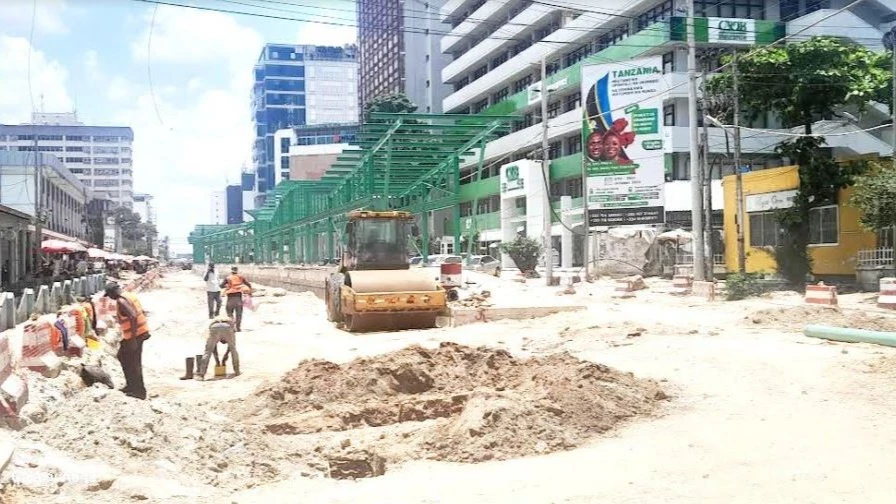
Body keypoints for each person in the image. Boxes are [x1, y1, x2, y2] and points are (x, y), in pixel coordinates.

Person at [104, 282, 150, 400]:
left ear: (113, 293)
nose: (110, 298)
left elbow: (133, 316)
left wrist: (133, 339)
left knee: (133, 362)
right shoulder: (129, 295)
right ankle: (131, 386)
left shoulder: (121, 300)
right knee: (123, 356)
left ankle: (138, 391)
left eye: (109, 295)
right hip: (139, 332)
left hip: (135, 335)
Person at [196, 315, 240, 381]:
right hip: (227, 326)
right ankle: (237, 371)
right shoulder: (231, 323)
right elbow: (230, 347)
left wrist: (220, 361)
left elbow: (213, 348)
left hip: (214, 327)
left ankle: (202, 374)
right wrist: (220, 361)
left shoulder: (216, 321)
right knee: (233, 349)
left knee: (208, 351)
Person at [220, 266, 252, 332]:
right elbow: (248, 284)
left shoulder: (228, 278)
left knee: (229, 313)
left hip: (230, 299)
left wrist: (227, 286)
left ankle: (232, 326)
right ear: (237, 270)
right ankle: (238, 327)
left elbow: (221, 286)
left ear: (231, 270)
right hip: (238, 299)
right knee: (239, 314)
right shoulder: (241, 277)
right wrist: (249, 293)